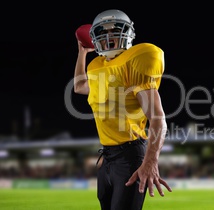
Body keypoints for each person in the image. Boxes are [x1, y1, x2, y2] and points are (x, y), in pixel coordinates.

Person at [73, 9, 172, 210]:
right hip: (108, 156)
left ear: (128, 34)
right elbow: (79, 86)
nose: (109, 37)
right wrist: (82, 53)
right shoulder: (96, 66)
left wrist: (150, 161)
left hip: (131, 154)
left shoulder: (135, 60)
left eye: (114, 30)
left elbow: (158, 119)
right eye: (104, 32)